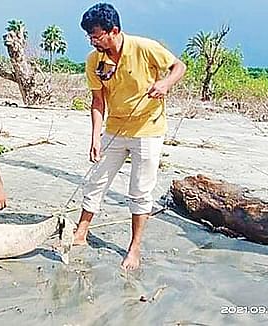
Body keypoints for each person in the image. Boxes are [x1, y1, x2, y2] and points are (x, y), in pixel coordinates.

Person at [73, 3, 187, 270]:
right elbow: (98, 101)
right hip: (115, 128)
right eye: (89, 36)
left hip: (148, 129)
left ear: (114, 31)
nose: (92, 40)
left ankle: (134, 248)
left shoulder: (144, 47)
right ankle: (81, 233)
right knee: (95, 182)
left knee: (139, 190)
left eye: (97, 35)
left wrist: (165, 83)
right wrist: (95, 138)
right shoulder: (94, 60)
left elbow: (179, 66)